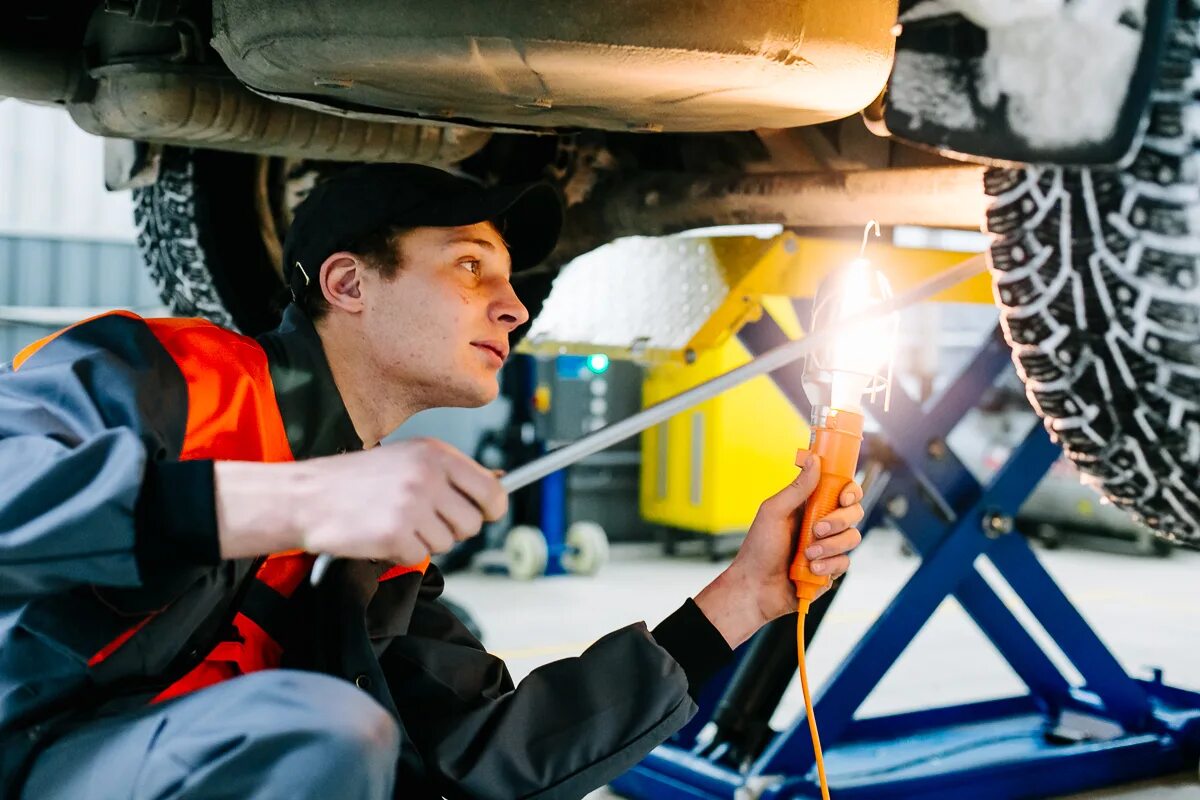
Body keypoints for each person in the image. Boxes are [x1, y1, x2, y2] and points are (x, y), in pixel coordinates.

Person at [0, 164, 864, 800]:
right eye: (468, 266)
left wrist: (745, 596)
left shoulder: (386, 560)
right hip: (37, 758)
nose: (514, 306)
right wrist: (300, 501)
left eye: (510, 281)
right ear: (348, 283)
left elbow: (486, 758)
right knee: (323, 732)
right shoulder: (166, 376)